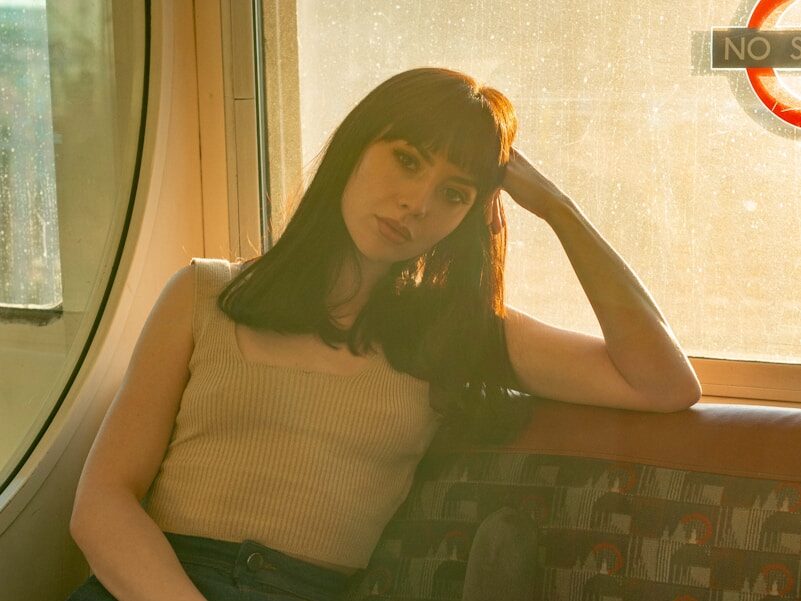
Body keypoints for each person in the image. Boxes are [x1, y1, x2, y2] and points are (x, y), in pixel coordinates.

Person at [67, 67, 701, 601]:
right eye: (406, 160)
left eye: (453, 193)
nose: (418, 203)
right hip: (147, 584)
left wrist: (559, 211)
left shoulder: (457, 335)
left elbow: (664, 384)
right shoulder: (206, 293)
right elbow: (102, 502)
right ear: (355, 148)